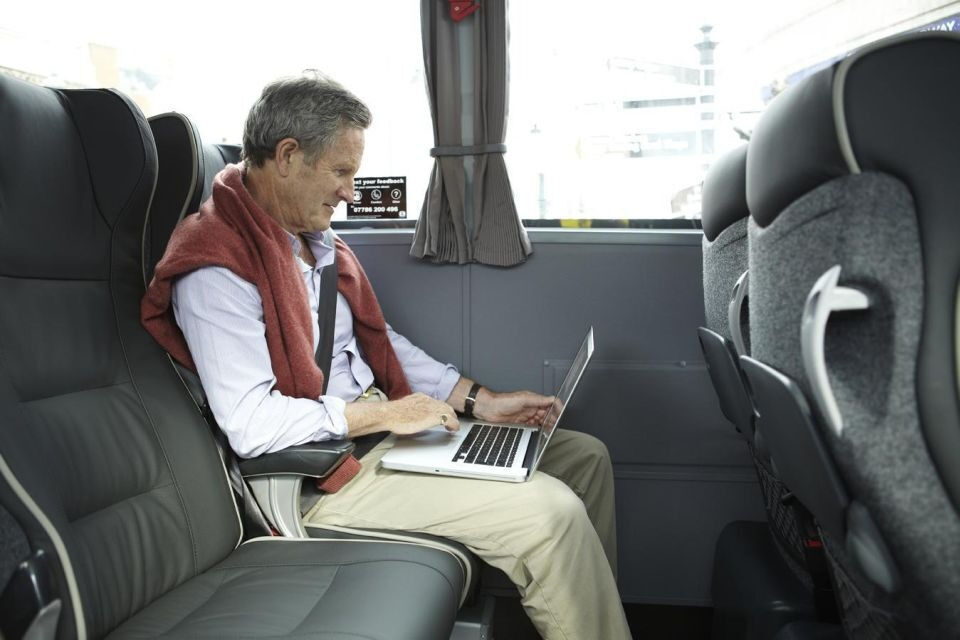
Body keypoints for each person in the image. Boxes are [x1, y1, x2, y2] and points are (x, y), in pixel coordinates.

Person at [142, 72, 631, 640]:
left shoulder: (315, 244)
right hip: (319, 475)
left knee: (584, 457)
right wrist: (385, 415)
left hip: (376, 438)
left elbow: (379, 344)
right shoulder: (215, 269)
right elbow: (252, 426)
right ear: (288, 156)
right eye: (342, 171)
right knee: (551, 515)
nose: (351, 191)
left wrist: (483, 401)